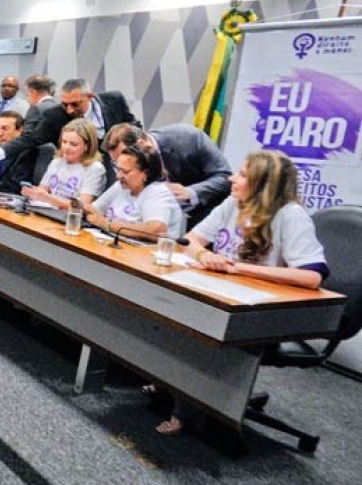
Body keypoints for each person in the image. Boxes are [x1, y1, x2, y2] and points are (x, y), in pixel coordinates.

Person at [154, 151, 329, 436]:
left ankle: (188, 411)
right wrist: (204, 255)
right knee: (166, 306)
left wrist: (239, 269)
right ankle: (172, 384)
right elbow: (192, 240)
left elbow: (311, 276)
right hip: (224, 294)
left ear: (265, 183)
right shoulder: (233, 202)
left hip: (262, 312)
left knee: (194, 326)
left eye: (244, 175)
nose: (233, 178)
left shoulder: (290, 215)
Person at [0, 78, 139, 175]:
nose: (69, 110)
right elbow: (29, 139)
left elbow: (133, 126)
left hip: (118, 165)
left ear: (90, 97)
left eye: (75, 104)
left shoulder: (114, 99)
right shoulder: (55, 115)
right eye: (65, 104)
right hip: (79, 171)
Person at [103, 123, 232, 227]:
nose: (121, 167)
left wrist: (191, 192)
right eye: (116, 163)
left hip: (203, 216)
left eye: (125, 158)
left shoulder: (189, 138)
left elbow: (225, 177)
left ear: (141, 144)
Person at [85, 144, 183, 241]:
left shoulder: (158, 192)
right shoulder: (120, 186)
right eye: (118, 169)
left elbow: (156, 231)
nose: (118, 176)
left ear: (146, 173)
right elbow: (94, 211)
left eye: (125, 172)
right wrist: (77, 206)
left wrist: (107, 223)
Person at [21, 118, 106, 209]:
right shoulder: (57, 161)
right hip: (50, 212)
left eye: (73, 144)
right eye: (64, 142)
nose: (66, 148)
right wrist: (32, 193)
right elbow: (42, 190)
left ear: (87, 146)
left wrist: (47, 198)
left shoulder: (95, 169)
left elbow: (81, 206)